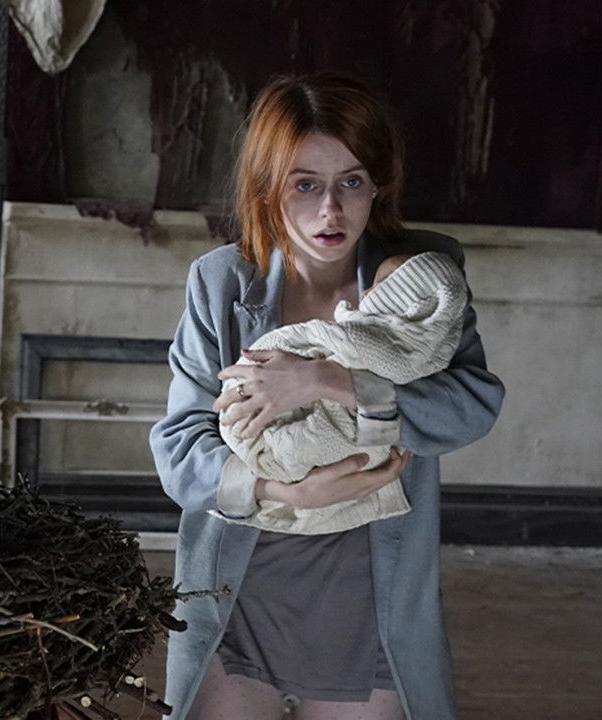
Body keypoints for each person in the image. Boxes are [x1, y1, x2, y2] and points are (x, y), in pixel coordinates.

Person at [149, 72, 503, 720]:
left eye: (352, 182)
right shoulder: (220, 282)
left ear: (379, 184)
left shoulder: (422, 280)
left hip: (370, 605)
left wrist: (326, 381)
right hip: (239, 599)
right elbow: (178, 450)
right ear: (267, 186)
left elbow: (471, 405)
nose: (331, 211)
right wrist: (282, 491)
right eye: (305, 184)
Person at [218, 250, 469, 535]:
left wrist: (322, 378)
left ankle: (277, 455)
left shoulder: (423, 312)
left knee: (299, 445)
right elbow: (183, 444)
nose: (368, 292)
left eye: (383, 283)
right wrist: (280, 492)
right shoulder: (221, 275)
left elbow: (468, 411)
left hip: (373, 539)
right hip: (249, 546)